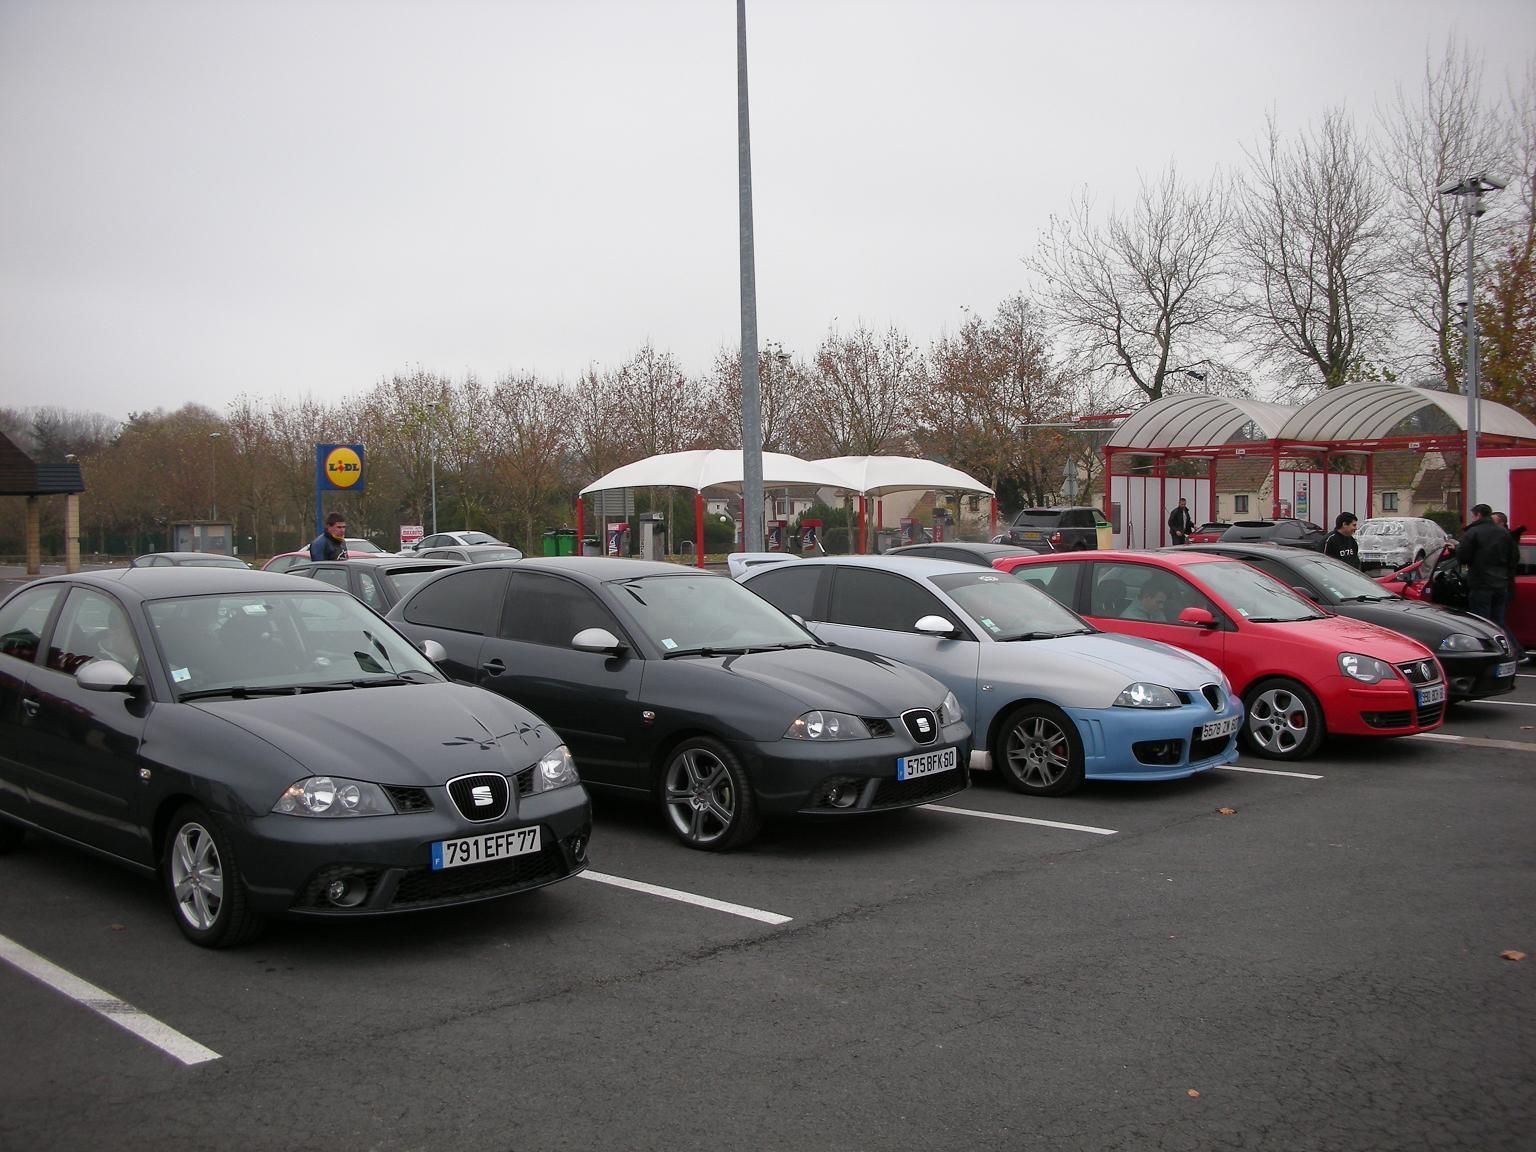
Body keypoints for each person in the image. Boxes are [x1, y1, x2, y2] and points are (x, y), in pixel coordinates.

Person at [1457, 503, 1512, 630]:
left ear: (1478, 515)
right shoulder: (1504, 533)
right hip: (1501, 583)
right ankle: (1505, 646)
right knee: (1498, 622)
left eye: (1473, 516)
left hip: (1481, 583)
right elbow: (1513, 557)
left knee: (1481, 623)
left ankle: (1487, 648)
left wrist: (1458, 550)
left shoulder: (1473, 532)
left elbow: (1464, 556)